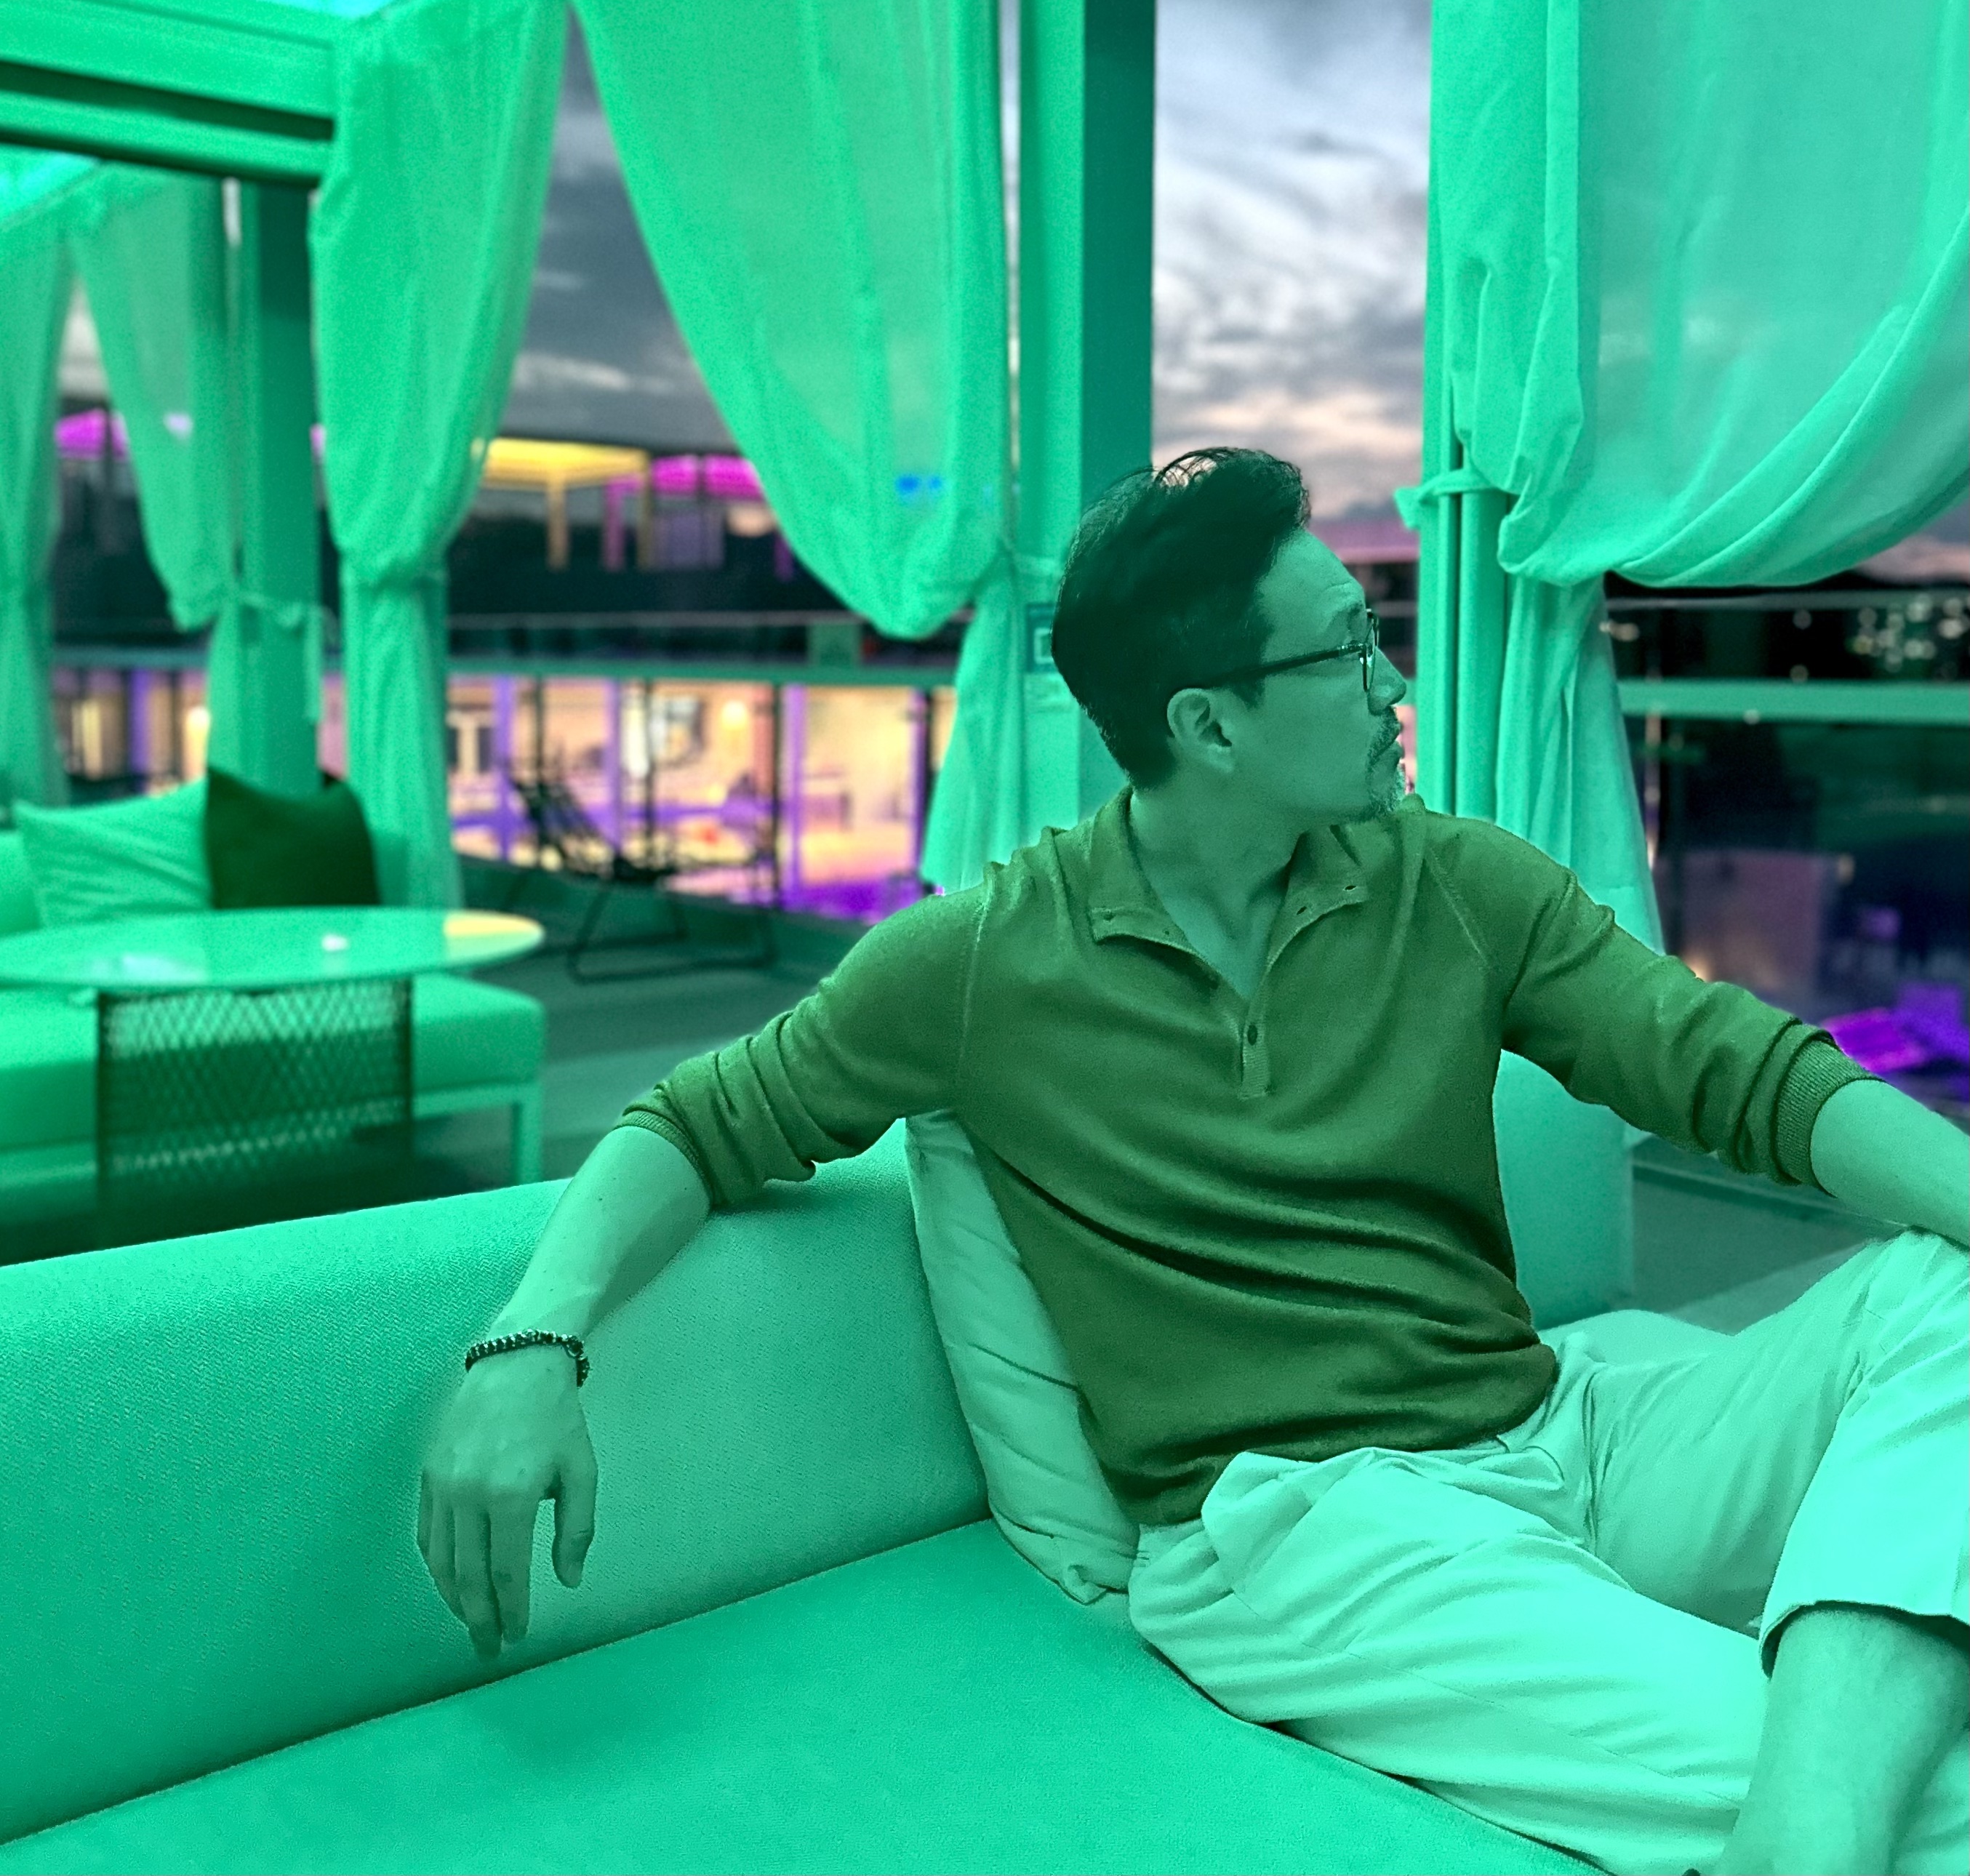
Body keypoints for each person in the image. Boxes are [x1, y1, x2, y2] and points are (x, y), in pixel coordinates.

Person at [419, 448, 1969, 1876]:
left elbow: (1738, 1072)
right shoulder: (981, 960)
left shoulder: (1453, 882)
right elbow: (692, 1122)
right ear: (1208, 724)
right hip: (1315, 1531)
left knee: (1941, 1281)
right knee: (1909, 1779)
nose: (1391, 683)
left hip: (1562, 1429)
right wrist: (529, 1341)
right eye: (1346, 649)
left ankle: (1799, 1840)